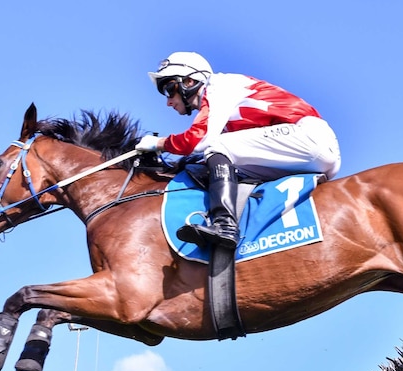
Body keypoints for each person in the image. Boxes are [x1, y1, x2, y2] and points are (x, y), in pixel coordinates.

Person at [136, 51, 342, 249]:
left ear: (189, 82)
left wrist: (158, 144)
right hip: (302, 153)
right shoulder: (221, 113)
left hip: (308, 137)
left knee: (216, 147)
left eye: (169, 88)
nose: (168, 101)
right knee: (214, 164)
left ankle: (225, 225)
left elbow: (198, 140)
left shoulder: (218, 87)